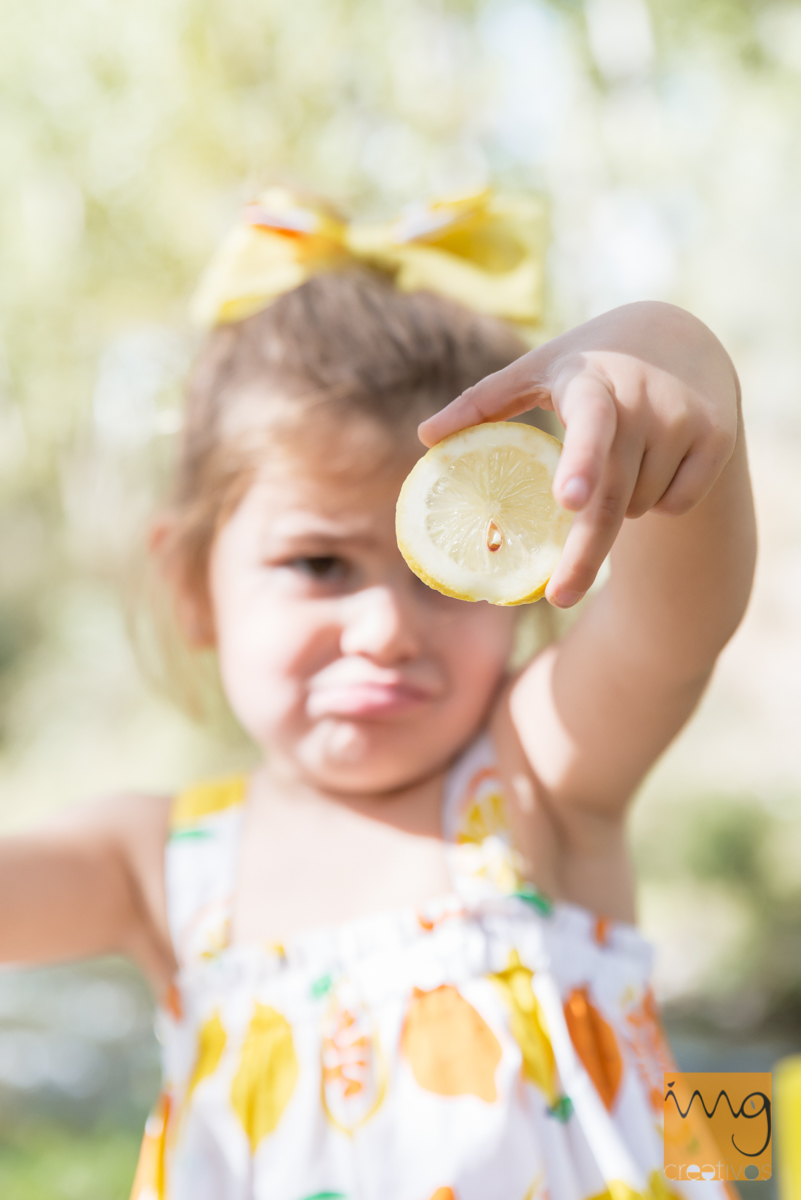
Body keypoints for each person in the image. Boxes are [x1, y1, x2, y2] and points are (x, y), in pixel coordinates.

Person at [0, 190, 755, 1200]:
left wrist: (669, 353)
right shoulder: (158, 863)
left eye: (444, 570)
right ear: (192, 586)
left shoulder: (537, 778)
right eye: (318, 563)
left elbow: (679, 627)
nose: (386, 629)